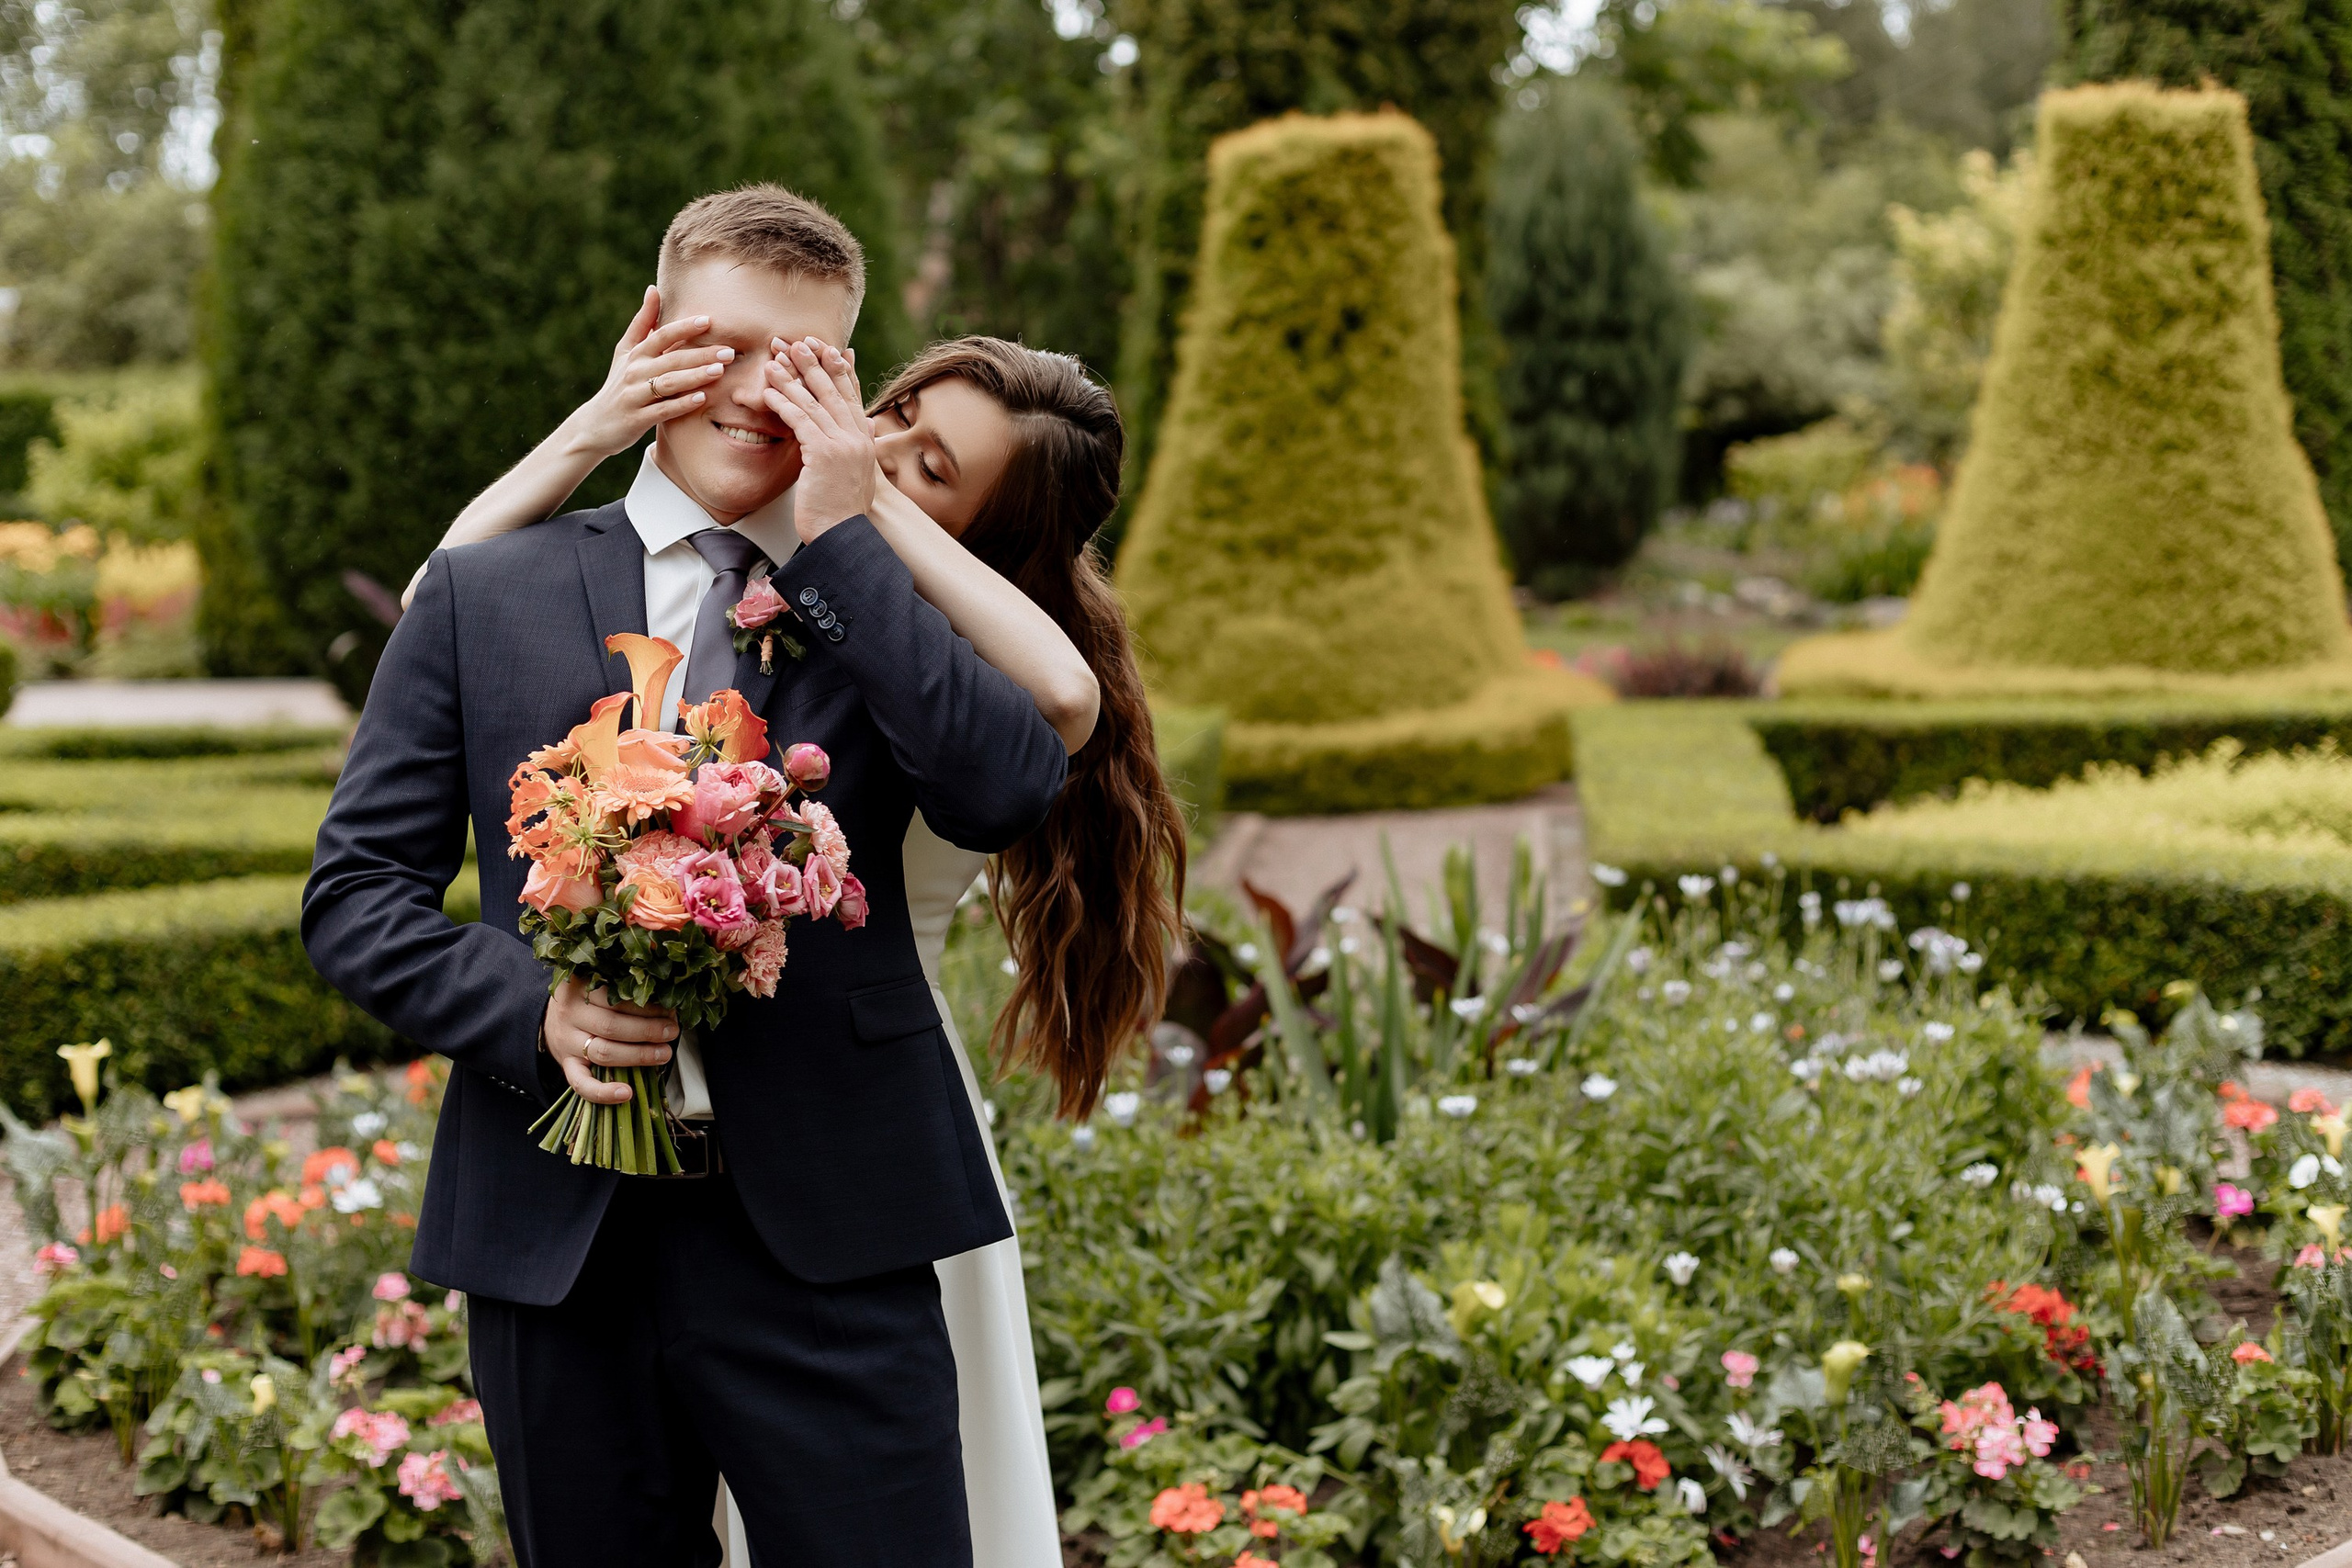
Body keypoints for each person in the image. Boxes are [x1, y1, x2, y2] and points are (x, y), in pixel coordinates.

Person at [327, 182, 1183, 1568]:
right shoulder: (489, 593)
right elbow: (357, 892)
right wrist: (529, 1007)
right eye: (719, 347)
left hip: (834, 1243)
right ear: (655, 333)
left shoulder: (882, 601)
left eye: (796, 361)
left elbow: (1009, 780)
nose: (751, 394)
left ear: (839, 372)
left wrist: (849, 533)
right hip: (559, 1247)